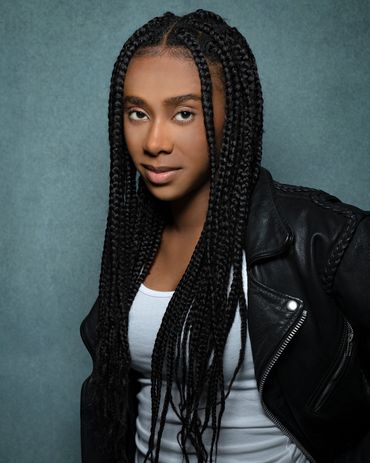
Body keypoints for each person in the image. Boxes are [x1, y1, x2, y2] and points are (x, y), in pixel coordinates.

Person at [79, 9, 370, 463]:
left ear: (230, 115)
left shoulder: (322, 237)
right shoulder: (129, 242)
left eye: (183, 113)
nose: (154, 140)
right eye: (137, 112)